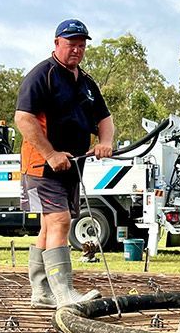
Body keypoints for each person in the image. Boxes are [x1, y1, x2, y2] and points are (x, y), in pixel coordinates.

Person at [14, 19, 115, 308]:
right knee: (59, 221)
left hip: (72, 165)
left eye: (82, 45)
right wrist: (51, 154)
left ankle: (41, 291)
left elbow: (104, 119)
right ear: (57, 42)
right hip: (41, 165)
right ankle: (64, 293)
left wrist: (105, 142)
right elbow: (24, 119)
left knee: (50, 226)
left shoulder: (86, 82)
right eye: (71, 44)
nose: (77, 50)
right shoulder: (41, 75)